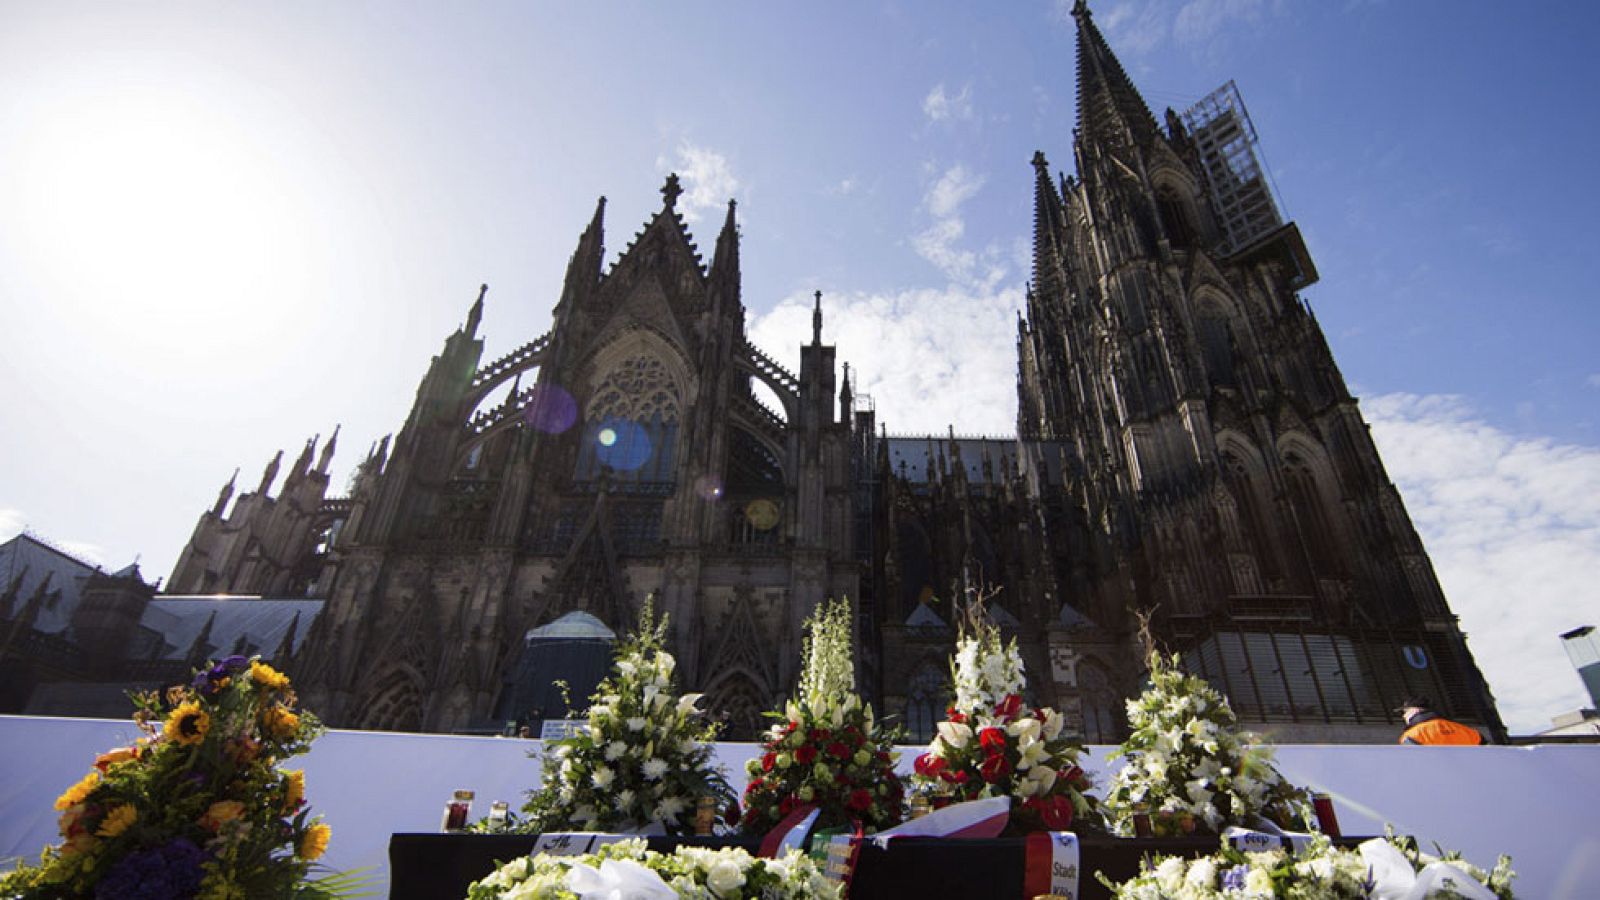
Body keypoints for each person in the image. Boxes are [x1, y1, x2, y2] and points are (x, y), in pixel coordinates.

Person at [1396, 696, 1483, 745]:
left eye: (1405, 712)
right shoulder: (1465, 730)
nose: (1404, 716)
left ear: (1415, 710)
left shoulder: (1411, 736)